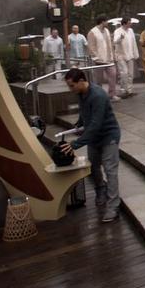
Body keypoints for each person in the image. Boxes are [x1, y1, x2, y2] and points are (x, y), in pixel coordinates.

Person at [60, 68, 122, 223]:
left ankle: (113, 207)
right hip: (94, 138)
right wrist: (80, 123)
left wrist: (75, 144)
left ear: (81, 81)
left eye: (71, 85)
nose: (70, 89)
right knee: (93, 167)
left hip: (108, 136)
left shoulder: (98, 95)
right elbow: (84, 111)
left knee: (110, 170)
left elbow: (96, 124)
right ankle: (100, 190)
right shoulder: (81, 93)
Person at [87, 16, 119, 101]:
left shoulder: (107, 31)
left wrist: (112, 55)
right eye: (106, 21)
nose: (107, 23)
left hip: (109, 60)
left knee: (113, 75)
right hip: (99, 61)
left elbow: (110, 44)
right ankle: (99, 96)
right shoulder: (92, 32)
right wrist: (96, 58)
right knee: (98, 80)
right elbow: (91, 47)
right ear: (102, 22)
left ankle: (112, 94)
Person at [113, 18, 139, 98]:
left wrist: (135, 54)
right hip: (121, 55)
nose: (130, 24)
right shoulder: (117, 31)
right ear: (124, 24)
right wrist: (120, 38)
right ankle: (123, 89)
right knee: (124, 73)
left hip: (130, 54)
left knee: (130, 73)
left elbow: (133, 42)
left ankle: (129, 90)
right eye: (129, 23)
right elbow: (115, 41)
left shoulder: (131, 30)